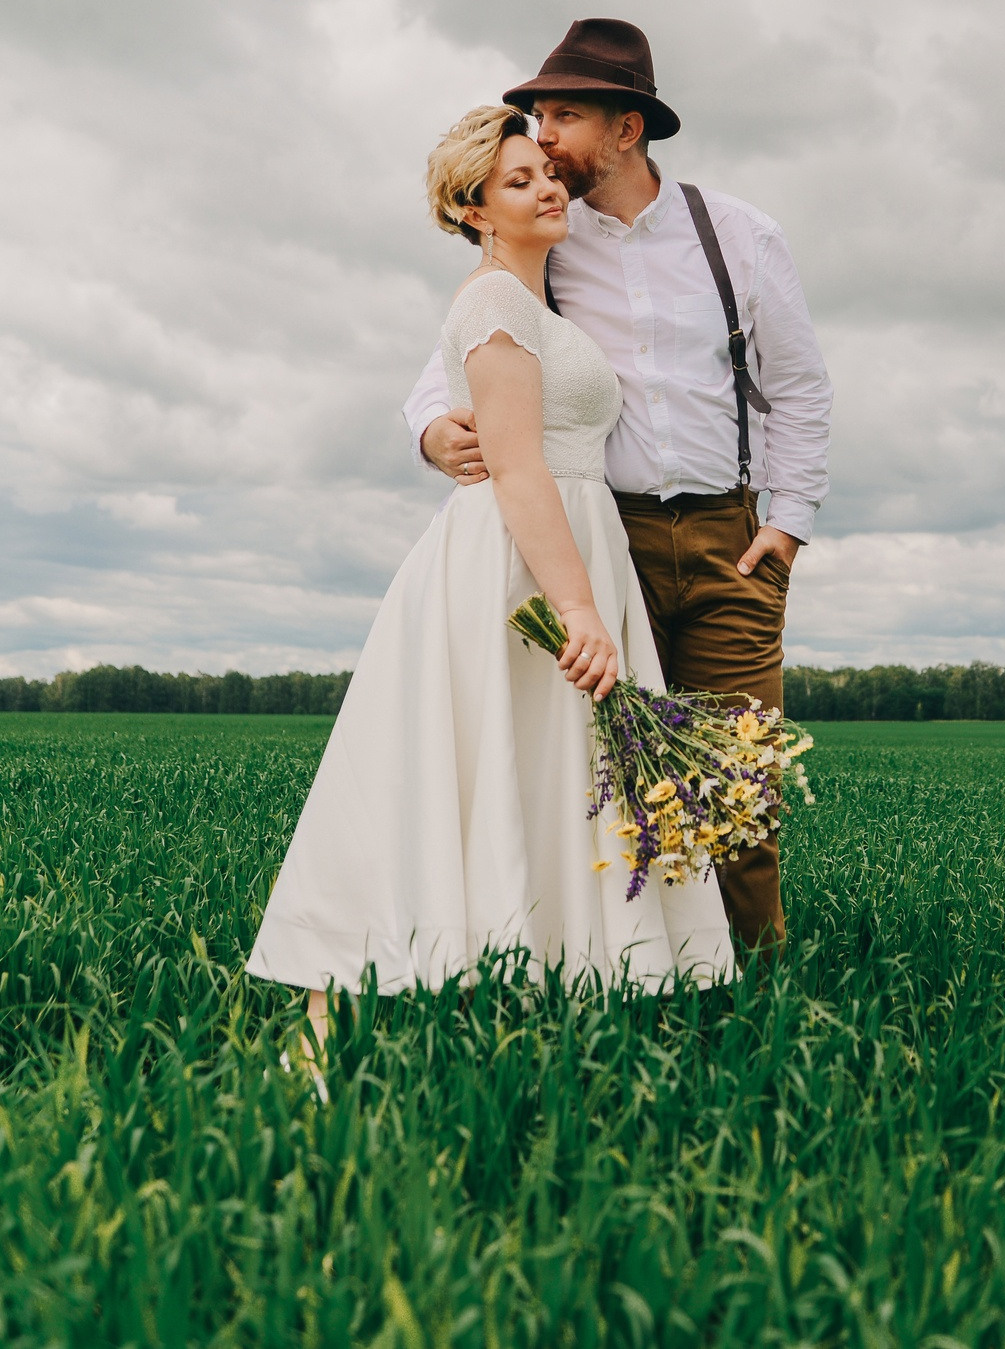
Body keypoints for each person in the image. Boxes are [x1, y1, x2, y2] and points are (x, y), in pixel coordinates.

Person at [247, 105, 737, 1037]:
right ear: (474, 211)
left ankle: (543, 987)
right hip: (519, 564)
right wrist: (578, 607)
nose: (549, 187)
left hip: (565, 545)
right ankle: (342, 1017)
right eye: (519, 181)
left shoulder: (536, 301)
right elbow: (515, 467)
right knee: (475, 767)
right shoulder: (493, 303)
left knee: (545, 774)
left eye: (546, 173)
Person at [404, 19, 833, 954]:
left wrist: (789, 521)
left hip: (731, 537)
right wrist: (434, 431)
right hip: (606, 537)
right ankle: (646, 967)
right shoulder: (544, 238)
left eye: (564, 116)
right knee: (619, 771)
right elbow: (452, 363)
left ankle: (756, 979)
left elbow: (798, 384)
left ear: (627, 127)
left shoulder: (739, 236)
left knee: (739, 770)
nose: (544, 137)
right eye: (539, 118)